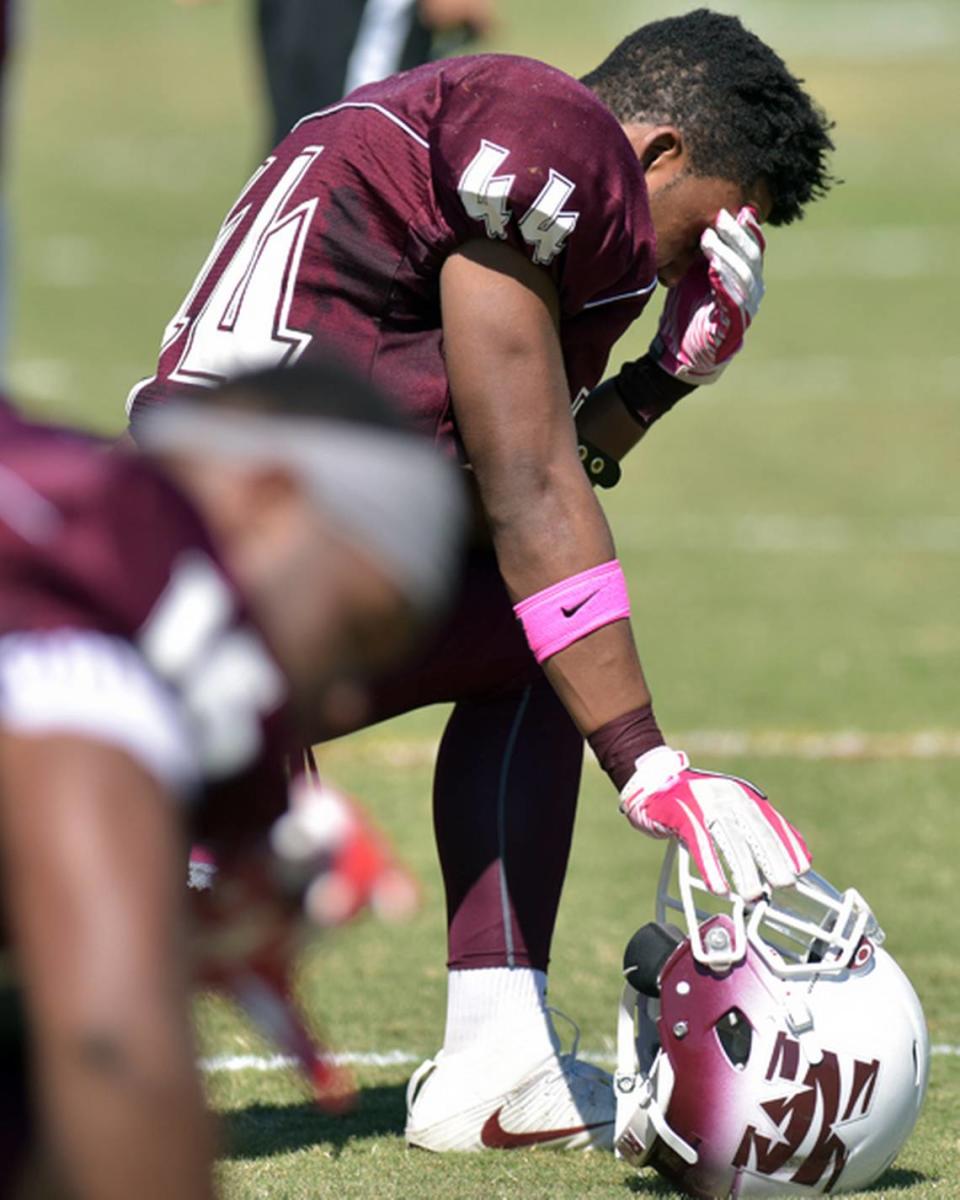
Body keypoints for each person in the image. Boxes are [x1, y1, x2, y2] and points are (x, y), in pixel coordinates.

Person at [125, 8, 835, 1152]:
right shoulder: (556, 138)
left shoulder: (467, 132)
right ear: (652, 153)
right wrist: (646, 759)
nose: (665, 272)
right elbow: (528, 485)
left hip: (206, 580)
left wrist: (660, 380)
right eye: (684, 239)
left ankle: (500, 1061)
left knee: (532, 637)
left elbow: (494, 485)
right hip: (209, 608)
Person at [0, 359, 464, 1197]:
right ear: (269, 502)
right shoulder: (122, 580)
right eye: (358, 631)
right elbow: (112, 1049)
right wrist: (127, 939)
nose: (351, 693)